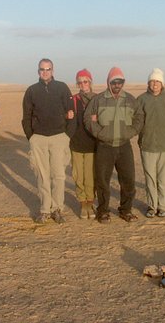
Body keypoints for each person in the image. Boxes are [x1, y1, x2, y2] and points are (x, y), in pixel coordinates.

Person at [84, 67, 144, 224]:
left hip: (124, 146)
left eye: (120, 81)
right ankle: (103, 211)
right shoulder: (98, 100)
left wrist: (130, 132)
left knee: (128, 180)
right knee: (103, 181)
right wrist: (101, 133)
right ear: (109, 82)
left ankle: (126, 210)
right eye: (114, 81)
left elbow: (139, 117)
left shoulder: (130, 99)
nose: (117, 84)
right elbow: (88, 120)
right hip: (105, 146)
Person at [22, 58, 74, 224]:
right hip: (39, 139)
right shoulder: (32, 91)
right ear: (38, 71)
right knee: (42, 176)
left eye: (48, 69)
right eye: (42, 69)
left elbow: (71, 113)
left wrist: (67, 136)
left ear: (53, 70)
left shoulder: (62, 88)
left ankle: (57, 209)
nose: (45, 72)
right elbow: (26, 117)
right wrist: (32, 137)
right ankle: (45, 209)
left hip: (59, 137)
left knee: (58, 176)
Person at [137, 68, 165, 218]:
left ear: (162, 83)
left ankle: (163, 206)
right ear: (148, 83)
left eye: (158, 81)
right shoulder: (141, 99)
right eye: (152, 81)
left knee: (163, 179)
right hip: (147, 145)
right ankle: (152, 206)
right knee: (150, 179)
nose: (155, 84)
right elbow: (137, 120)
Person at [69, 69, 97, 219]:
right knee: (78, 176)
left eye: (85, 81)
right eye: (79, 82)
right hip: (76, 144)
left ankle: (90, 204)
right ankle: (82, 204)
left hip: (93, 144)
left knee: (91, 176)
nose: (82, 85)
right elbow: (65, 118)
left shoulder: (97, 99)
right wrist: (68, 115)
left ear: (90, 82)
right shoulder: (73, 100)